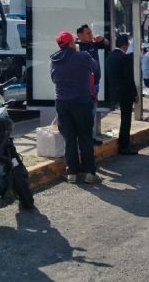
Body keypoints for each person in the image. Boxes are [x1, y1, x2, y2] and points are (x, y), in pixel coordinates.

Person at [50, 31, 100, 184]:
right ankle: (89, 173)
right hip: (82, 101)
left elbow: (53, 79)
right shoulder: (82, 56)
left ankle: (72, 172)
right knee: (85, 137)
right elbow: (96, 70)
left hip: (62, 102)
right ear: (72, 43)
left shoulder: (54, 59)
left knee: (69, 138)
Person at [105, 34, 137, 155]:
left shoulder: (110, 57)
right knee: (126, 119)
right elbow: (129, 78)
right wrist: (134, 93)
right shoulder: (124, 58)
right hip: (125, 92)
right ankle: (124, 145)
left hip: (114, 91)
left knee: (124, 118)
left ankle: (123, 144)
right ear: (125, 46)